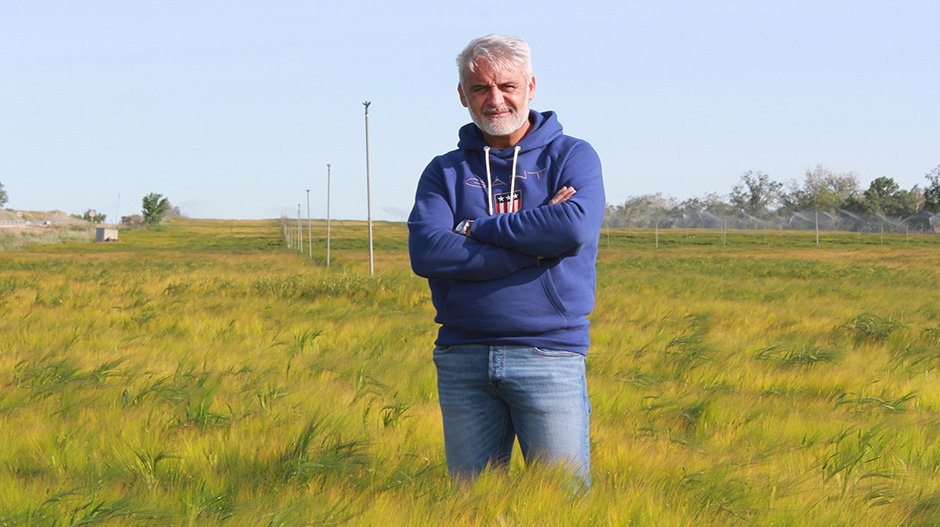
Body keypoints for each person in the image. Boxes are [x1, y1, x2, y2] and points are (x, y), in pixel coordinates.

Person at [407, 35, 605, 489]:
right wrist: (534, 243)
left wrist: (475, 228)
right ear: (462, 95)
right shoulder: (445, 171)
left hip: (549, 355)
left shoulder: (573, 157)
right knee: (471, 507)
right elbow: (428, 252)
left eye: (507, 86)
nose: (494, 99)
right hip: (463, 358)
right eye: (479, 88)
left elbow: (571, 228)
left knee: (562, 504)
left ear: (530, 86)